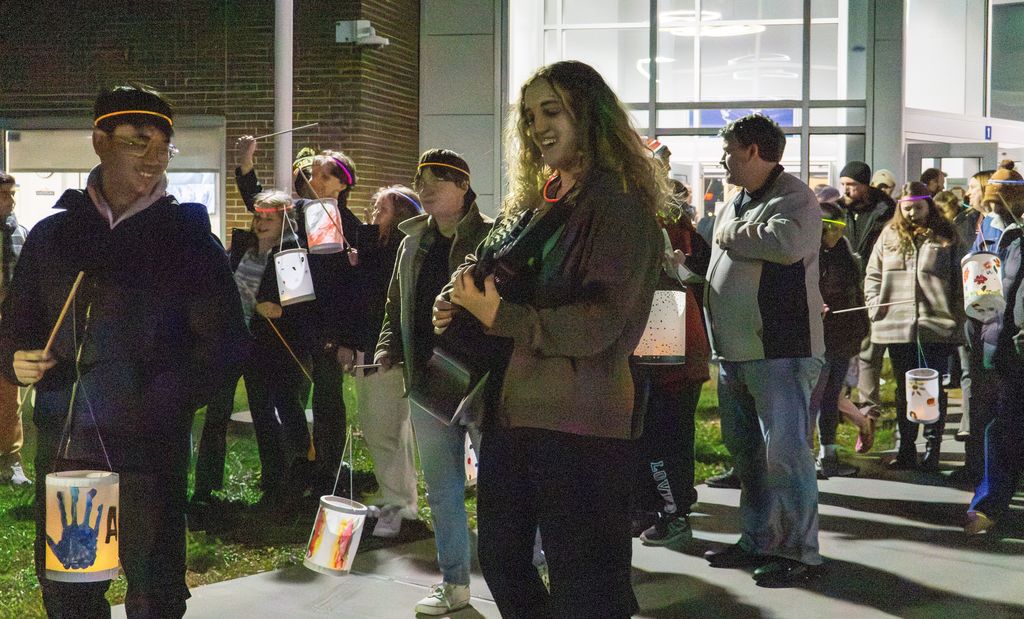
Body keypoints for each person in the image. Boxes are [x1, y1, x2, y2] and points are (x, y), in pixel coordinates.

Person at [0, 84, 247, 617]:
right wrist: (17, 361)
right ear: (100, 142)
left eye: (164, 146)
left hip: (149, 457)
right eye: (139, 141)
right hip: (70, 455)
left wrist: (165, 399)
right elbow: (16, 329)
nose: (155, 158)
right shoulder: (54, 237)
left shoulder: (188, 241)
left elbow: (226, 346)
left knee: (155, 594)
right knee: (71, 596)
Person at [433, 60, 664, 617]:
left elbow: (603, 322)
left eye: (552, 111)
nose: (537, 127)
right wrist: (461, 300)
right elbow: (496, 270)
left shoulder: (621, 203)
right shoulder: (542, 202)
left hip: (581, 417)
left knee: (585, 582)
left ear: (590, 114)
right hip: (514, 411)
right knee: (503, 560)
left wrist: (502, 315)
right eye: (530, 115)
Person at [701, 113, 825, 588]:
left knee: (785, 456)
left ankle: (800, 552)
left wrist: (728, 234)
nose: (723, 160)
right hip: (737, 352)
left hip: (780, 350)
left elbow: (788, 244)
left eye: (728, 151)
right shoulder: (741, 199)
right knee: (747, 456)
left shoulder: (795, 196)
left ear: (753, 150)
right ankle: (758, 539)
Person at [375, 149, 492, 615]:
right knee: (442, 488)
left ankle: (519, 568)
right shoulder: (412, 242)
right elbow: (394, 302)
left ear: (463, 186)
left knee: (500, 486)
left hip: (481, 382)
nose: (424, 189)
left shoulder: (489, 238)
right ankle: (455, 582)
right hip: (427, 380)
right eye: (420, 181)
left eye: (436, 181)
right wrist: (388, 347)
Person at [235, 137, 364, 496]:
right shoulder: (301, 213)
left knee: (327, 399)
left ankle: (327, 473)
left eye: (325, 173)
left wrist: (347, 338)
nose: (314, 177)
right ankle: (300, 468)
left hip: (329, 326)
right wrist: (246, 166)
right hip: (297, 321)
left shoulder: (348, 225)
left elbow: (352, 288)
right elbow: (261, 205)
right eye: (311, 171)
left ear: (343, 183)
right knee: (292, 394)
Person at [864, 182, 965, 470]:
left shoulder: (947, 235)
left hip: (936, 324)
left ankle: (932, 450)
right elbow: (873, 273)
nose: (911, 213)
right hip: (897, 325)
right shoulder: (889, 235)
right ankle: (906, 448)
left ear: (928, 206)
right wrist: (874, 305)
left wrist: (958, 316)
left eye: (917, 207)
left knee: (931, 386)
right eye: (906, 207)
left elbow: (960, 278)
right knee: (904, 388)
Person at [632, 186, 712, 547]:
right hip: (671, 336)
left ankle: (672, 512)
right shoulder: (663, 216)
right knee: (658, 433)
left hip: (670, 337)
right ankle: (657, 508)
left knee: (662, 433)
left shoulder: (656, 222)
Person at [351, 185, 422, 537]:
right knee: (381, 428)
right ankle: (395, 494)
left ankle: (401, 504)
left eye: (382, 210)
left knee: (386, 429)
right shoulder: (375, 251)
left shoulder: (397, 252)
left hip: (386, 354)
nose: (374, 216)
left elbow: (381, 301)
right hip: (370, 348)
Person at [965, 165, 1024, 535]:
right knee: (1001, 424)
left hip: (1014, 336)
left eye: (995, 201)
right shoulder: (990, 230)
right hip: (1000, 339)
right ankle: (989, 502)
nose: (990, 209)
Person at [812, 201, 870, 478]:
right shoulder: (809, 254)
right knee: (815, 397)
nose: (832, 235)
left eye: (838, 228)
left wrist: (861, 328)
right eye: (827, 228)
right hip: (818, 338)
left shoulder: (844, 253)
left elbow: (855, 292)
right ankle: (808, 456)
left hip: (842, 336)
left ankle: (829, 453)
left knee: (832, 395)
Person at [838, 160, 895, 410]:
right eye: (842, 185)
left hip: (875, 286)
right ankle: (840, 403)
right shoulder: (838, 211)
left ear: (865, 185)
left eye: (851, 185)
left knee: (870, 350)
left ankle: (869, 408)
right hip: (844, 288)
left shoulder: (886, 211)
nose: (845, 190)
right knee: (841, 349)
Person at [0, 172, 29, 486]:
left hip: (8, 326)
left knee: (9, 395)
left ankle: (11, 459)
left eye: (11, 193)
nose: (10, 200)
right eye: (4, 194)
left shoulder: (20, 233)